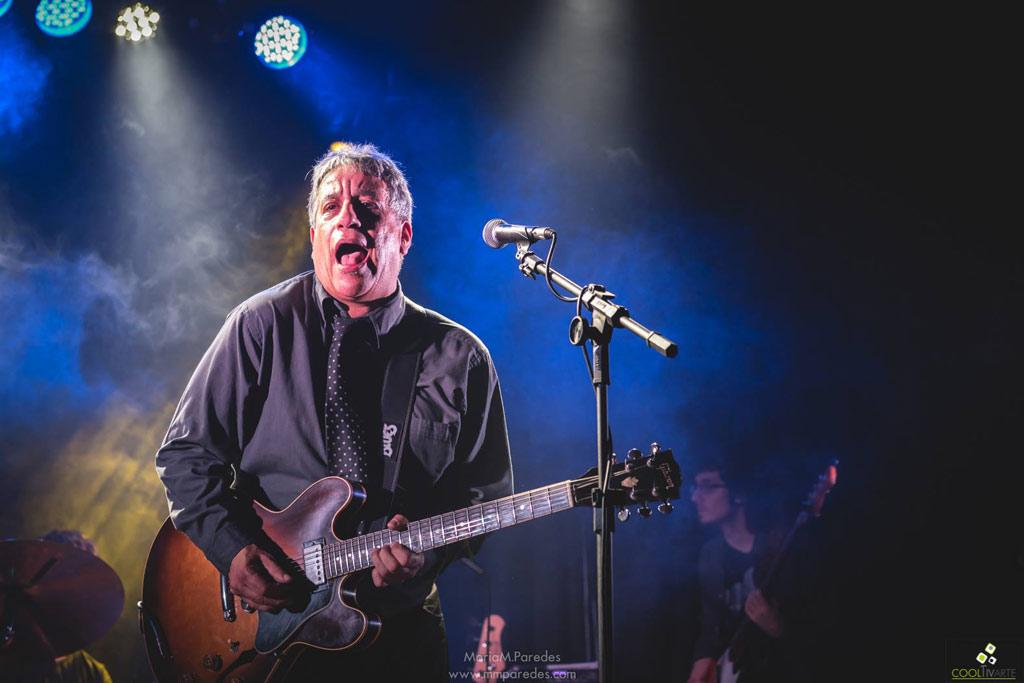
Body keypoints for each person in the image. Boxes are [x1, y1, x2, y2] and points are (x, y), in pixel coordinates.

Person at [155, 143, 513, 680]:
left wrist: (426, 557)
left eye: (368, 208)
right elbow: (185, 456)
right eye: (330, 208)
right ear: (314, 236)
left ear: (404, 235)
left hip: (402, 631)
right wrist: (232, 553)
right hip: (278, 630)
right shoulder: (260, 325)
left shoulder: (460, 357)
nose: (348, 217)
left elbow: (485, 496)